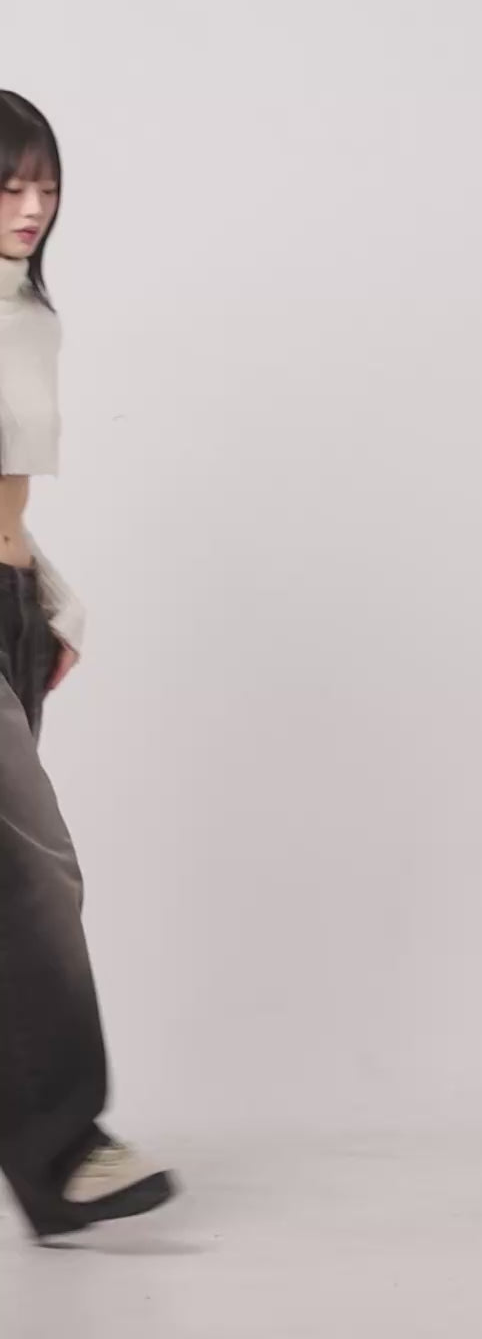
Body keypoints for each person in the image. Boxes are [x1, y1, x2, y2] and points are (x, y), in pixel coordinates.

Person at [0, 90, 177, 1240]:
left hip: (10, 608)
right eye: (9, 184)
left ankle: (51, 1156)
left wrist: (45, 595)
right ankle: (65, 1153)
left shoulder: (28, 312)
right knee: (36, 874)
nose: (31, 206)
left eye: (46, 185)